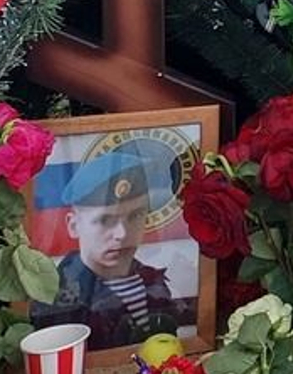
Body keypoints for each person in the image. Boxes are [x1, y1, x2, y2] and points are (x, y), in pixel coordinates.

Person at [29, 150, 192, 349]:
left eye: (135, 216)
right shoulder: (57, 297)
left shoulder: (153, 281)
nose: (122, 234)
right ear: (73, 225)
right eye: (105, 220)